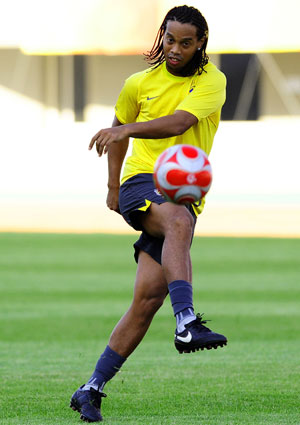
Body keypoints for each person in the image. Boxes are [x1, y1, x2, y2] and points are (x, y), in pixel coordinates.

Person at [70, 5, 227, 423]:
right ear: (162, 36)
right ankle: (187, 321)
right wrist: (112, 187)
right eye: (170, 39)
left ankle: (90, 388)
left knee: (146, 300)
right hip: (144, 182)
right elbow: (117, 136)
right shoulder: (137, 83)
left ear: (200, 45)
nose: (175, 49)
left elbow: (178, 123)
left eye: (186, 42)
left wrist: (125, 128)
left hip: (183, 195)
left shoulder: (212, 80)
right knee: (177, 221)